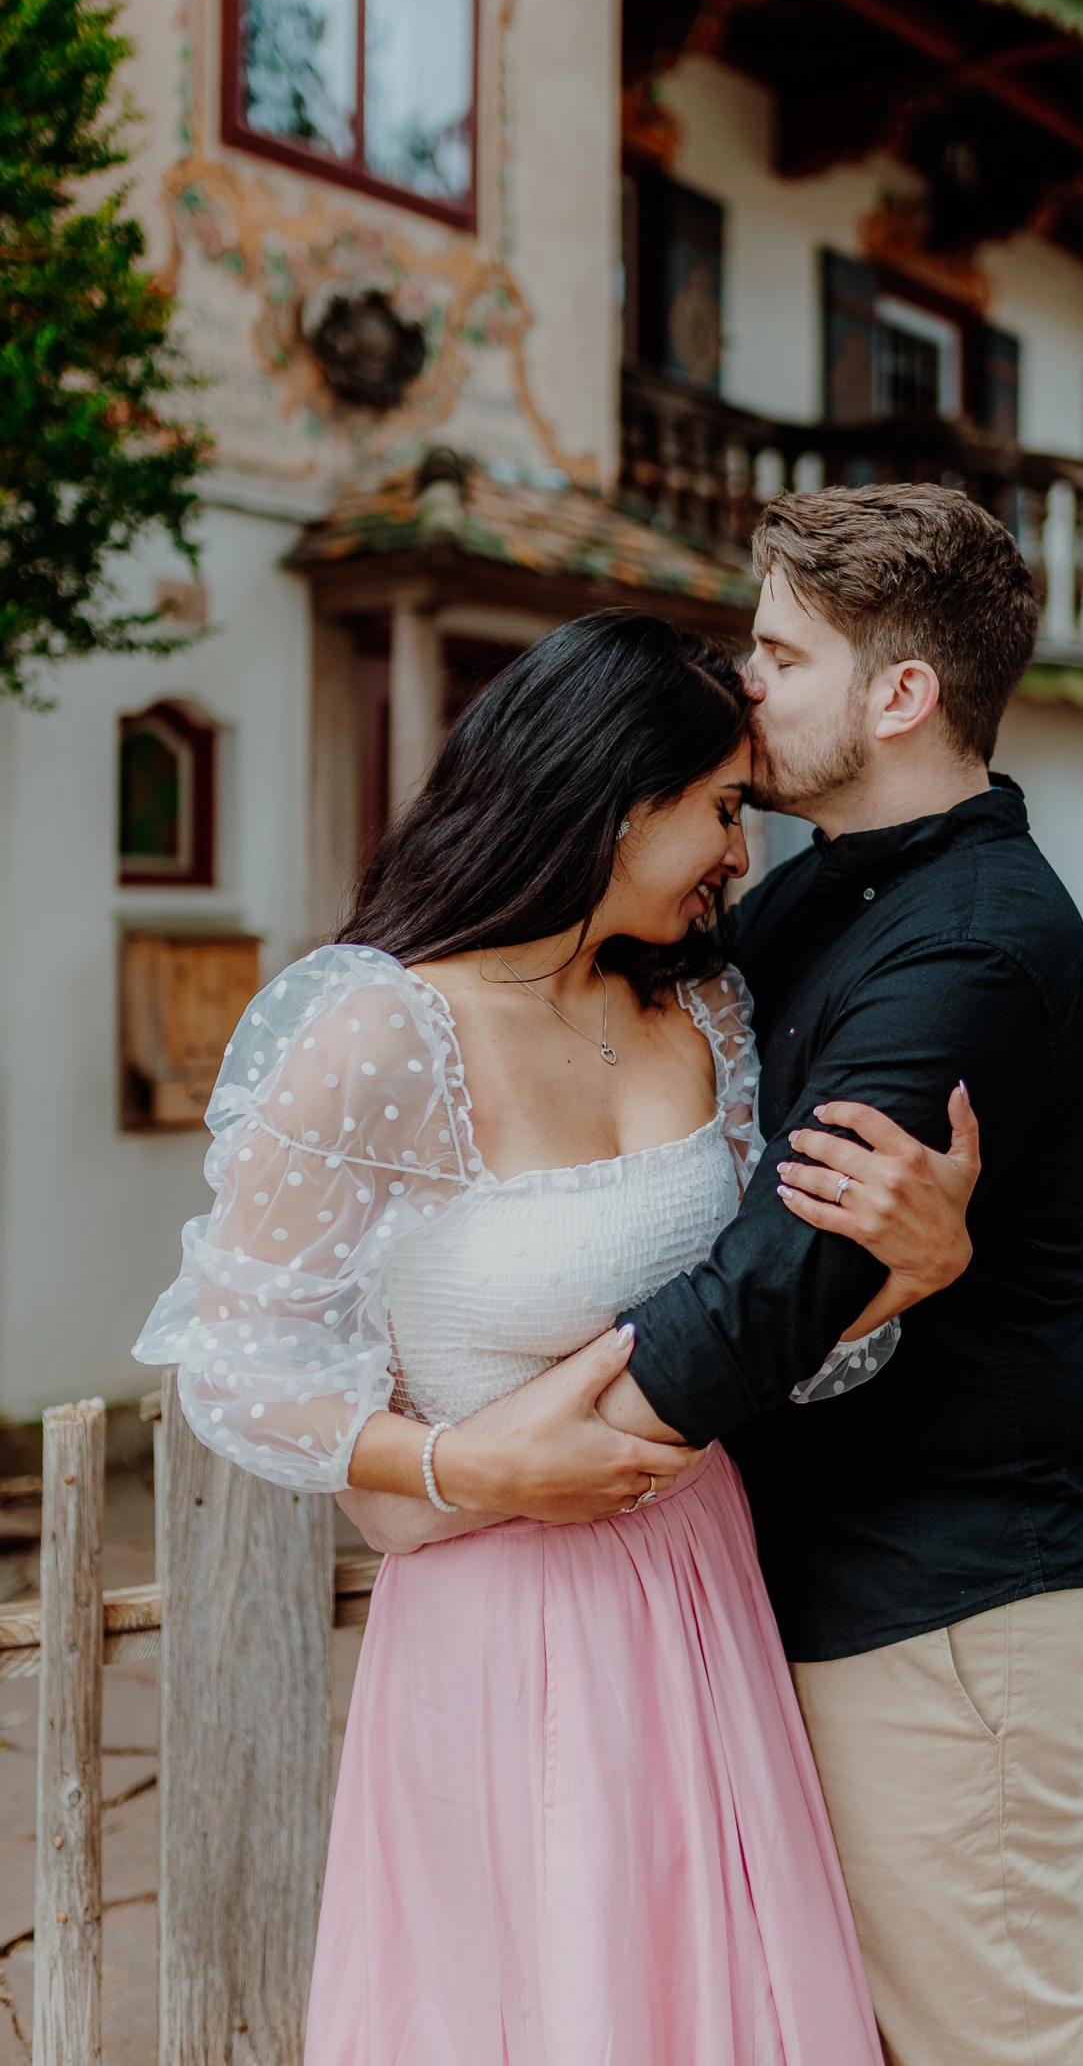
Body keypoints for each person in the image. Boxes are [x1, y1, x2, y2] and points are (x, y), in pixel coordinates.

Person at [133, 610, 979, 2066]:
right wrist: (469, 1467)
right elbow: (237, 1366)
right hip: (498, 1620)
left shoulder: (703, 1010)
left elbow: (768, 1328)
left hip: (703, 1584)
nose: (739, 855)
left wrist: (915, 1271)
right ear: (618, 801)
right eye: (722, 809)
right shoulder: (381, 1031)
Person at [541, 484, 1083, 2066]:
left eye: (782, 655)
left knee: (989, 2035)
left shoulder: (974, 945)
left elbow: (774, 1286)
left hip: (950, 1586)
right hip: (809, 1559)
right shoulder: (816, 887)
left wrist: (496, 1455)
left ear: (900, 695)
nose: (744, 685)